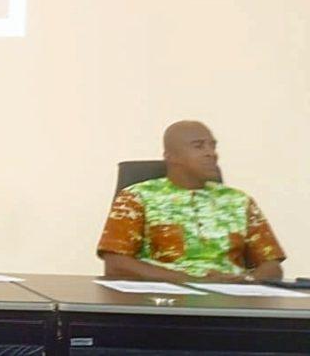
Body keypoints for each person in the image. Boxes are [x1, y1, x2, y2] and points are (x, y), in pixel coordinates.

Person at [97, 120, 284, 282]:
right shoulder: (136, 197)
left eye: (212, 146)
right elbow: (116, 264)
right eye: (198, 146)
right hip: (164, 300)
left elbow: (272, 265)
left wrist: (247, 280)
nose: (211, 153)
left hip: (231, 299)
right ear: (171, 157)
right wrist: (192, 281)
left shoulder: (239, 201)